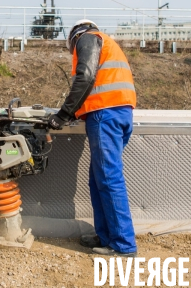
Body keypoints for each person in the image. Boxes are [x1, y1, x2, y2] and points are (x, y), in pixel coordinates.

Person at [48, 19, 137, 257]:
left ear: (73, 38)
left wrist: (63, 115)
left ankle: (123, 245)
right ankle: (107, 236)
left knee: (108, 179)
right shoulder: (107, 43)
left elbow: (85, 76)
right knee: (99, 179)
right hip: (118, 113)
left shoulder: (87, 38)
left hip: (105, 114)